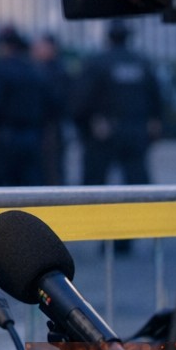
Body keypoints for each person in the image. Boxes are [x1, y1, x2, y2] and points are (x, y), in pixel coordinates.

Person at [73, 19, 163, 252]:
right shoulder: (141, 62)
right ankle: (126, 237)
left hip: (106, 133)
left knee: (100, 187)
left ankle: (107, 236)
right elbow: (157, 98)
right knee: (133, 186)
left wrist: (87, 125)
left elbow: (81, 100)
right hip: (135, 131)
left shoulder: (98, 62)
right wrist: (153, 123)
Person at [0, 25, 49, 186]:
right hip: (31, 138)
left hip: (3, 139)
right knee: (28, 193)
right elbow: (48, 105)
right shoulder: (34, 71)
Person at [31, 33, 73, 186]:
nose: (35, 50)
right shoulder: (40, 69)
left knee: (52, 169)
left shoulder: (56, 72)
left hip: (51, 128)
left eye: (40, 46)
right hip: (43, 128)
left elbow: (59, 101)